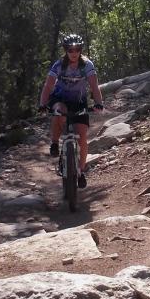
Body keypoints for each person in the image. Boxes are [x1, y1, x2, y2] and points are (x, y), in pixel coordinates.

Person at [38, 34, 104, 188]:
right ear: (65, 50)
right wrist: (42, 104)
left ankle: (81, 171)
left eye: (77, 49)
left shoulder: (87, 65)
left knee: (82, 136)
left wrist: (98, 103)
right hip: (60, 98)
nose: (74, 52)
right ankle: (55, 143)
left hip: (79, 100)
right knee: (58, 111)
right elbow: (48, 86)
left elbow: (94, 86)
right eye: (70, 49)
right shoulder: (59, 65)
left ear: (81, 50)